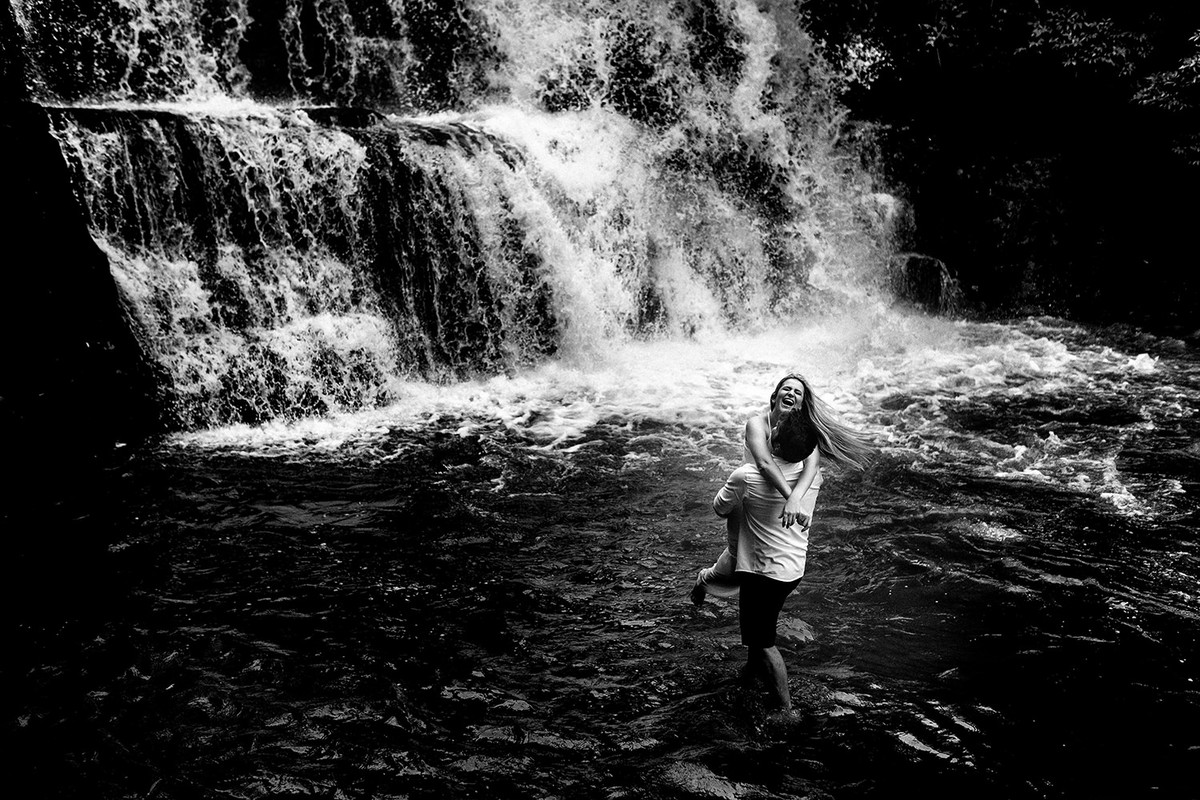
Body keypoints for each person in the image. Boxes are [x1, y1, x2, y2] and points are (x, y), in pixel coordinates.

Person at [691, 374, 873, 712]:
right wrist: (792, 498)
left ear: (803, 404)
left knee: (751, 609)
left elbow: (811, 467)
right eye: (786, 389)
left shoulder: (803, 435)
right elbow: (762, 462)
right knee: (737, 562)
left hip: (762, 520)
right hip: (756, 508)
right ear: (774, 396)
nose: (791, 393)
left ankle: (781, 706)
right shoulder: (758, 425)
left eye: (798, 392)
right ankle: (748, 672)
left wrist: (795, 499)